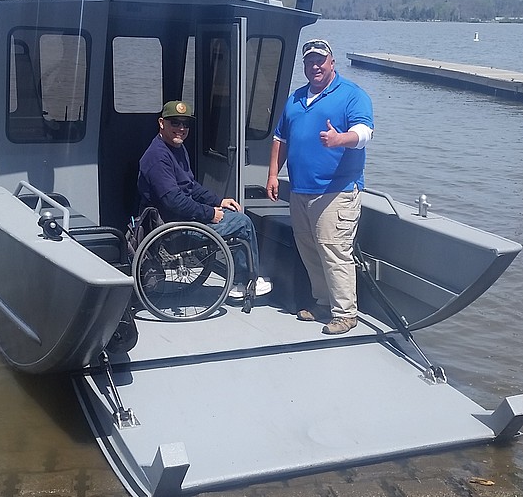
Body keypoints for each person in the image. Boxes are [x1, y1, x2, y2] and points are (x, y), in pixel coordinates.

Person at [266, 39, 373, 334]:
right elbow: (280, 139)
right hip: (300, 191)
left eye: (320, 61)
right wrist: (273, 174)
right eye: (309, 61)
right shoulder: (296, 98)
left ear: (332, 63)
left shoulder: (352, 95)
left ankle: (346, 313)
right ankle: (324, 303)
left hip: (335, 192)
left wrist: (341, 139)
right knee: (310, 248)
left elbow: (365, 132)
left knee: (334, 250)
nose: (314, 66)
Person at [138, 101, 271, 299]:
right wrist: (210, 213)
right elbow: (173, 201)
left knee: (234, 212)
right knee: (243, 223)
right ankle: (245, 282)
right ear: (161, 123)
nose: (181, 128)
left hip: (182, 220)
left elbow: (190, 186)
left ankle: (242, 278)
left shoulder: (176, 148)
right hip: (173, 231)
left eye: (185, 124)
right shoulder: (158, 157)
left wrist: (218, 201)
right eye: (175, 122)